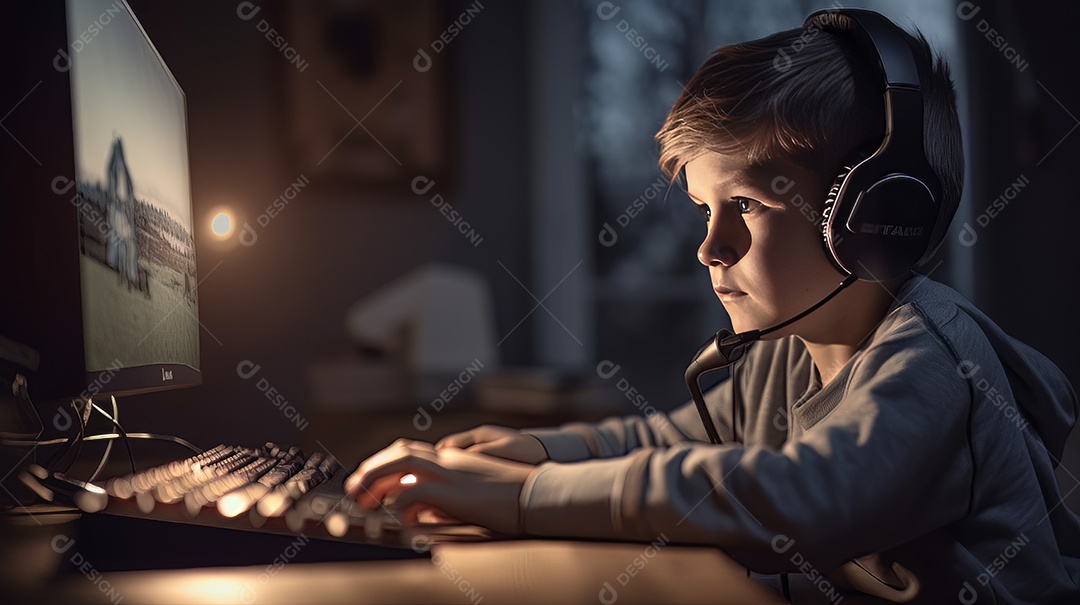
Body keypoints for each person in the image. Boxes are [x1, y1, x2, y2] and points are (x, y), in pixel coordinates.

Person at [346, 9, 1080, 604]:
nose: (709, 248)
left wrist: (528, 497)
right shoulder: (787, 357)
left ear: (877, 214)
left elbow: (803, 499)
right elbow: (665, 438)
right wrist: (530, 450)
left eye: (748, 207)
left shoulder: (931, 360)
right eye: (703, 208)